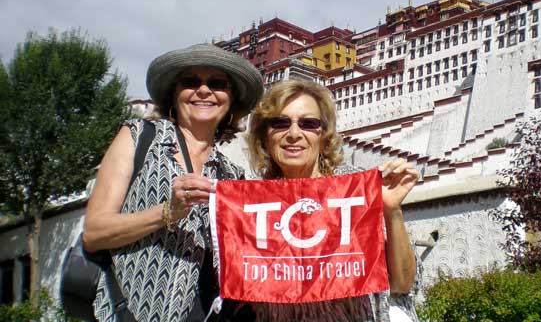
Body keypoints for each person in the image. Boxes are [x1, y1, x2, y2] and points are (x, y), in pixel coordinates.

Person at [83, 43, 263, 321]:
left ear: (231, 100)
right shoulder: (139, 137)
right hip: (125, 312)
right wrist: (168, 212)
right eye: (191, 82)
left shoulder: (233, 175)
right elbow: (94, 233)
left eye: (217, 84)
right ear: (174, 94)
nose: (204, 90)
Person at [243, 79, 419, 321]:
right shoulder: (252, 204)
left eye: (308, 124)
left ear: (323, 135)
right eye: (280, 123)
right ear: (264, 135)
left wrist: (391, 211)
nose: (294, 134)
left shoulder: (356, 190)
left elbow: (403, 284)